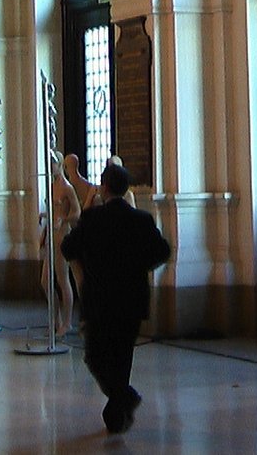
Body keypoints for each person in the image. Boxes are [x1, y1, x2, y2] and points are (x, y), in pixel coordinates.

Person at [61, 162, 163, 435]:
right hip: (130, 301)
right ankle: (118, 412)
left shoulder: (93, 219)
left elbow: (67, 247)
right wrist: (139, 265)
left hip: (99, 300)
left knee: (95, 356)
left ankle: (123, 400)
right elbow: (161, 251)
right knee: (122, 358)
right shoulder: (142, 220)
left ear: (104, 188)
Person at [40, 154, 80, 335]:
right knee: (45, 281)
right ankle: (55, 318)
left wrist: (63, 219)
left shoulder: (67, 188)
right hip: (51, 236)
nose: (51, 168)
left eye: (53, 164)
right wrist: (45, 224)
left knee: (63, 279)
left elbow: (77, 212)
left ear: (60, 164)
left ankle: (67, 322)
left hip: (63, 236)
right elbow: (51, 212)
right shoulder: (51, 186)